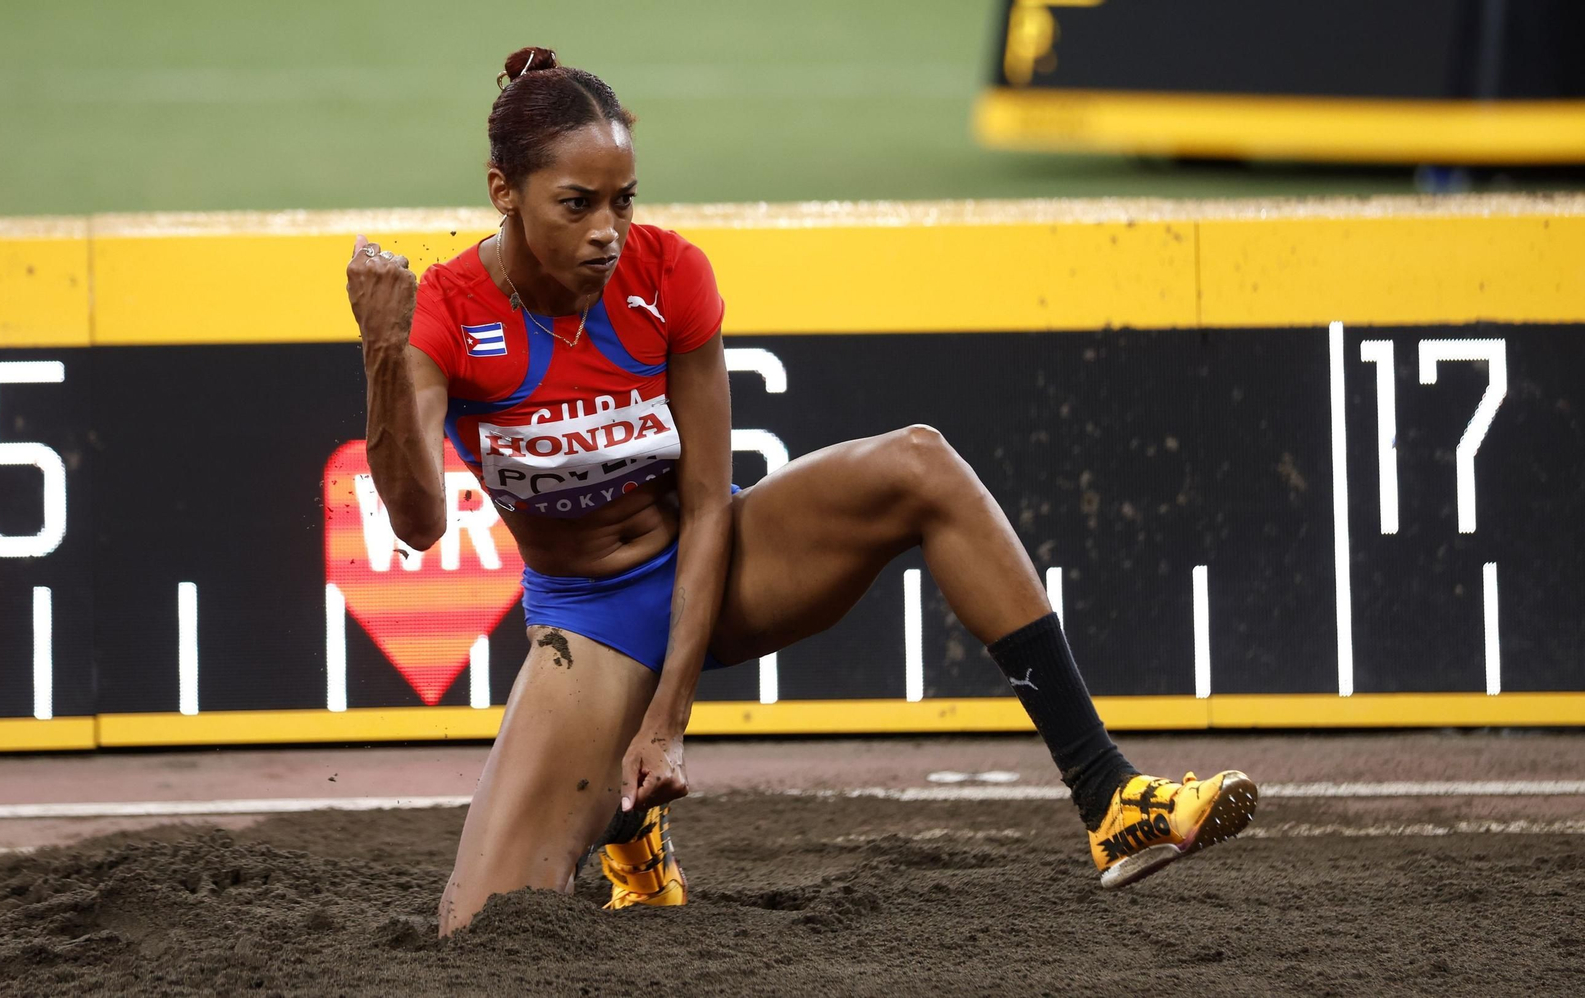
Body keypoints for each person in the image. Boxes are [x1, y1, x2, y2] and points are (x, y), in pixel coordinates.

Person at [344, 46, 1257, 937]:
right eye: (576, 205)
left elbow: (708, 503)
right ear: (504, 191)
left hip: (719, 565)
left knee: (920, 463)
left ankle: (1110, 798)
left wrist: (667, 723)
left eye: (624, 201)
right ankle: (631, 835)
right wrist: (383, 358)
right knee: (485, 932)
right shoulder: (450, 311)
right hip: (591, 622)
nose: (606, 232)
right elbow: (421, 526)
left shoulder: (669, 276)